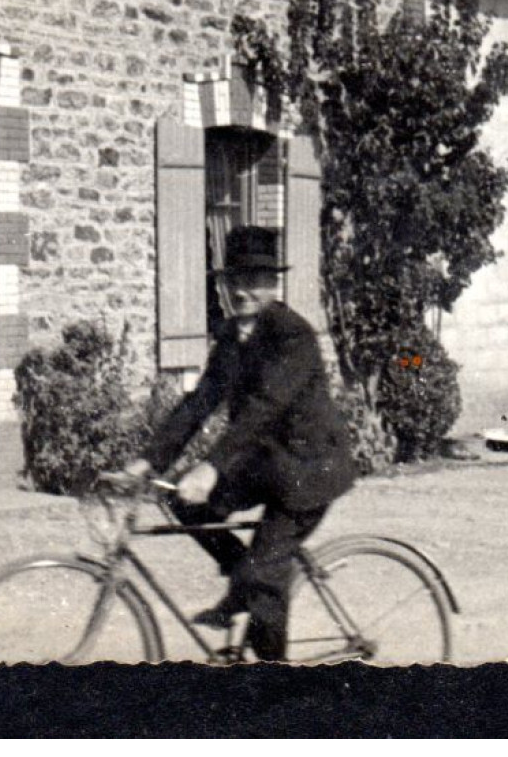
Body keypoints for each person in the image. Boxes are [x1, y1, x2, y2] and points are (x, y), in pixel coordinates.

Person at [114, 225, 356, 662]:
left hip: (308, 470)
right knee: (185, 504)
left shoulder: (292, 335)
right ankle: (245, 586)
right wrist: (148, 462)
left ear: (273, 284)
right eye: (234, 280)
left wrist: (210, 467)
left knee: (264, 574)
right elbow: (200, 402)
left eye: (254, 280)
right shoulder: (229, 335)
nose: (242, 291)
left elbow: (262, 409)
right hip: (266, 463)